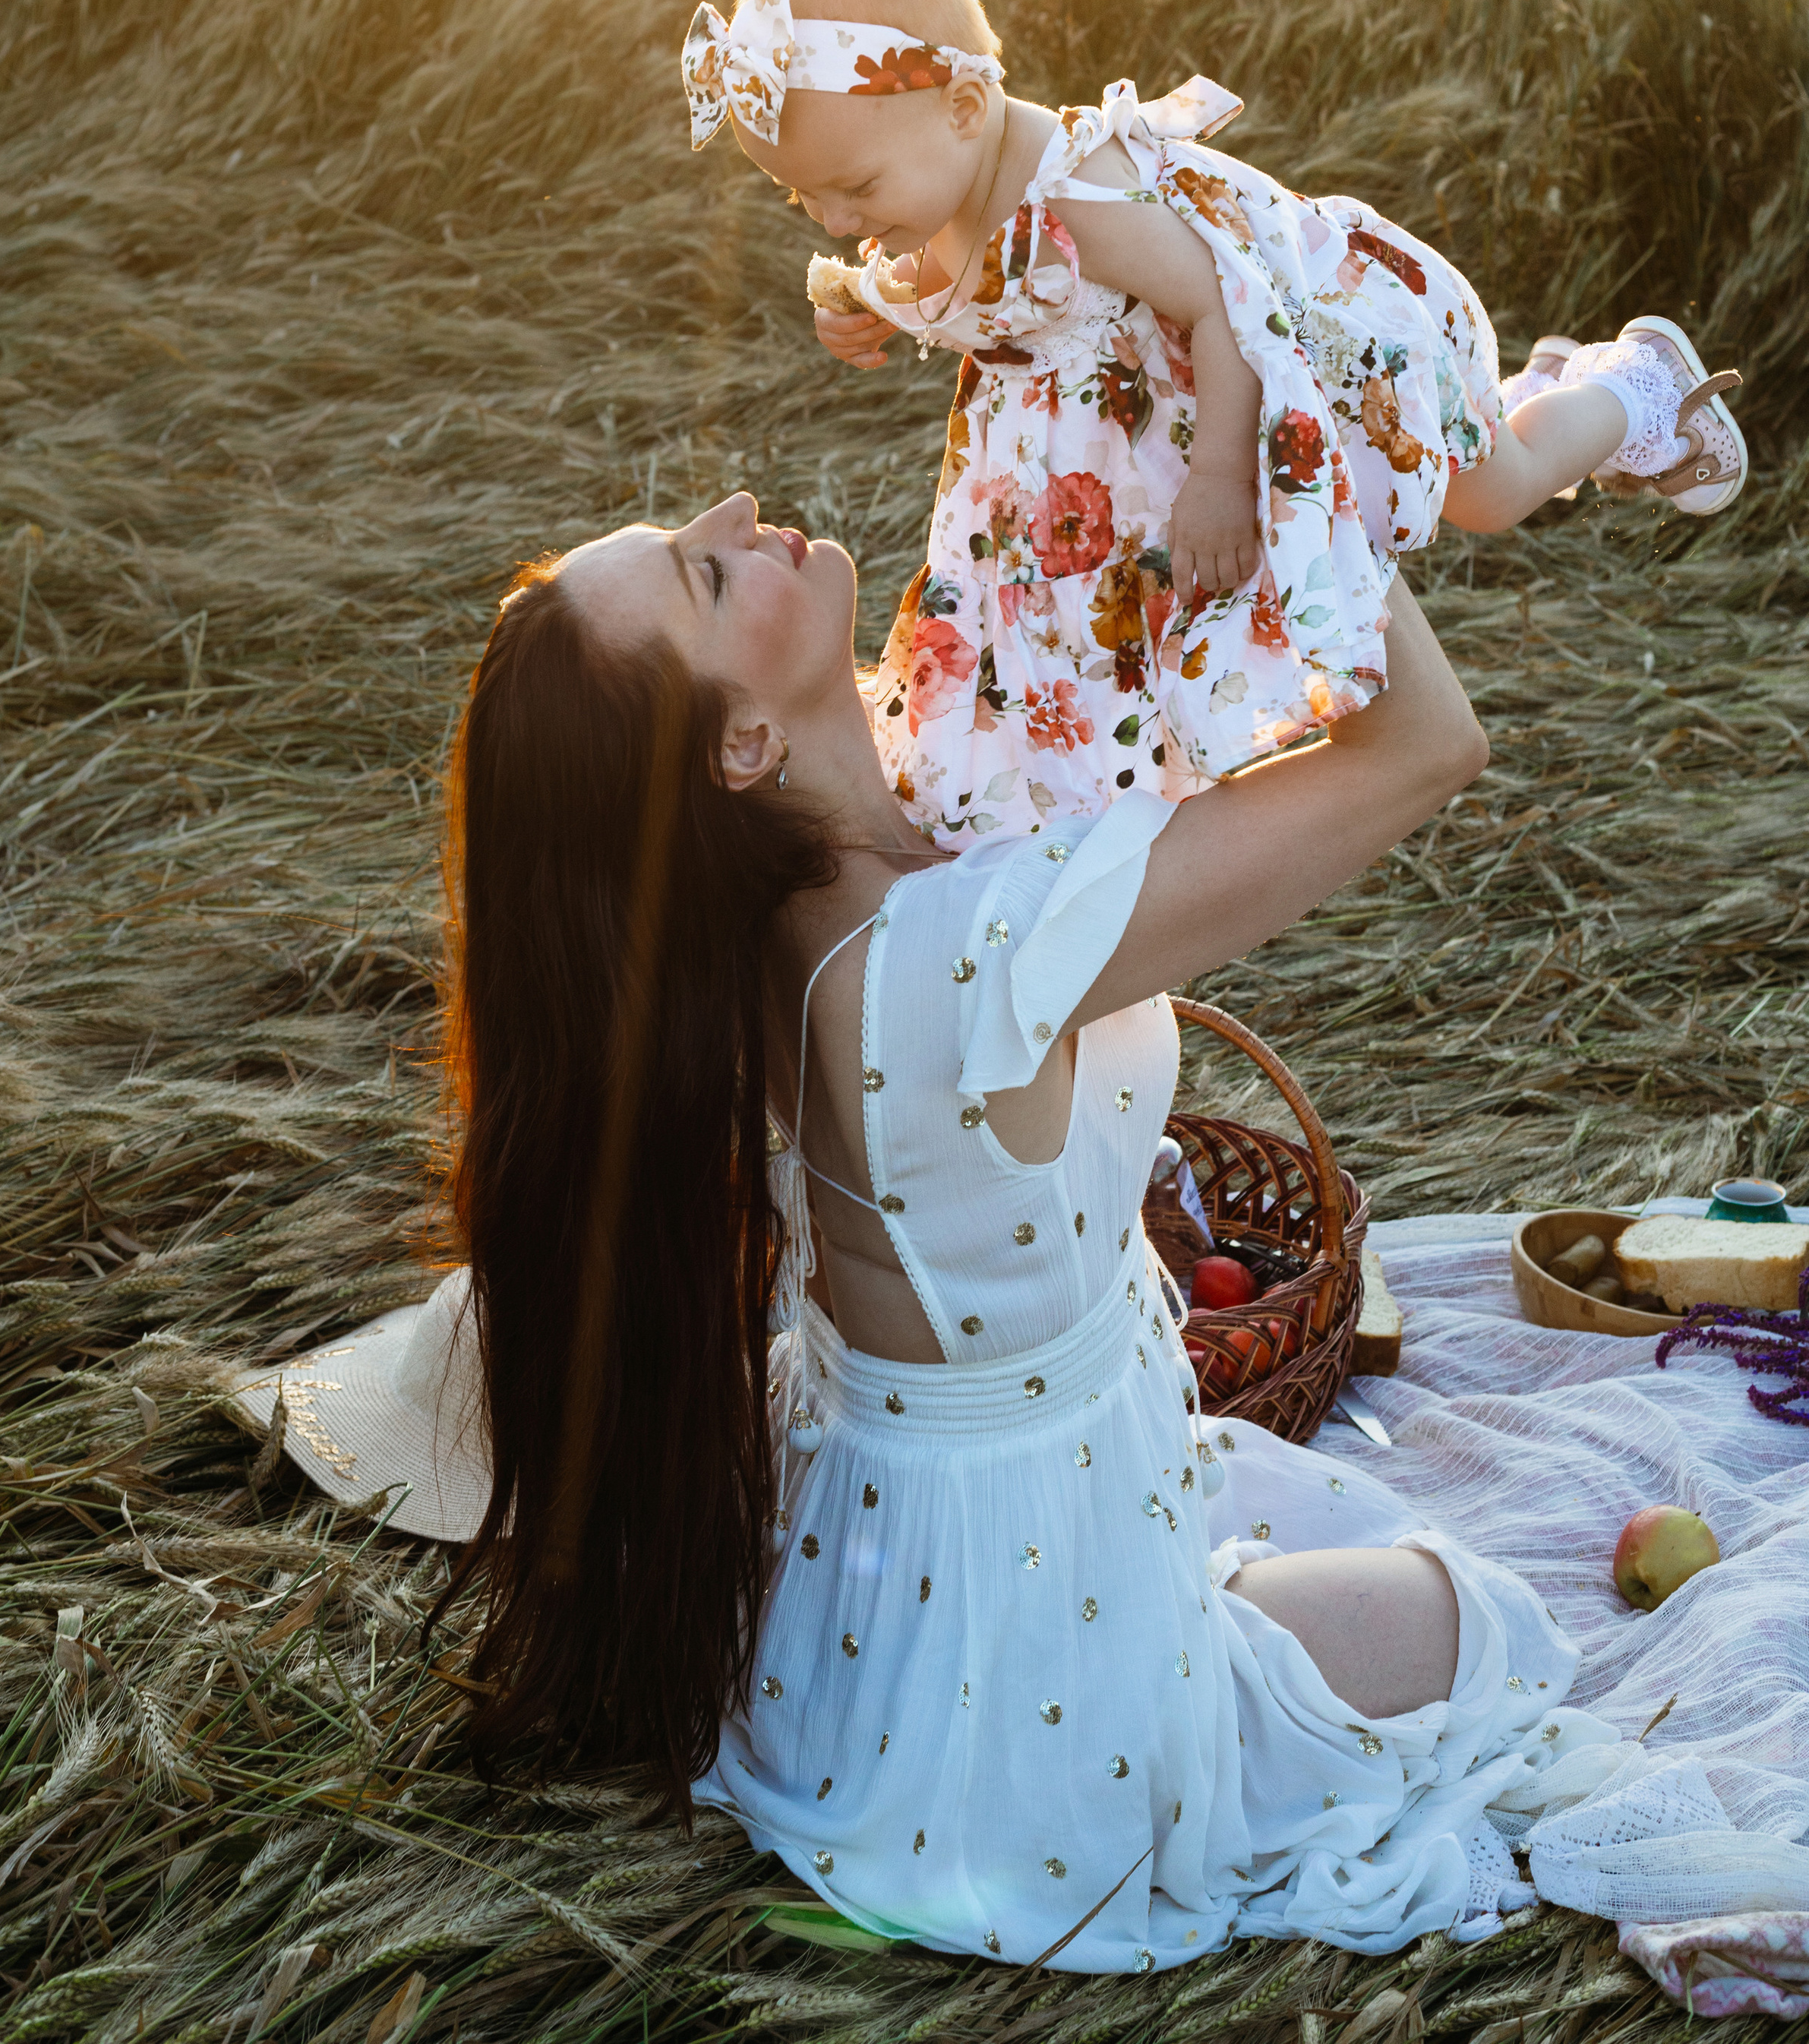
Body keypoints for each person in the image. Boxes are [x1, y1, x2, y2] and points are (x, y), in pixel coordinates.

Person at [434, 485, 1624, 1968]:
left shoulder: (773, 910)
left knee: (1365, 1561)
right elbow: (1428, 743)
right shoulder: (969, 954)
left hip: (898, 1567)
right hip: (1027, 1629)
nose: (740, 510)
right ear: (740, 747)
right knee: (1486, 1625)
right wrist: (1298, 421)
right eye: (704, 570)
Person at [681, 0, 1747, 842]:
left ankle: (1633, 391)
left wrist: (1221, 476)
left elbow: (1222, 309)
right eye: (808, 202)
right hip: (1180, 402)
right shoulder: (950, 179)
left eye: (855, 187)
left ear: (964, 106)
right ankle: (1528, 396)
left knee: (1494, 490)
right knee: (1450, 476)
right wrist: (880, 298)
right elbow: (974, 274)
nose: (837, 222)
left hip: (1300, 356)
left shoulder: (1080, 203)